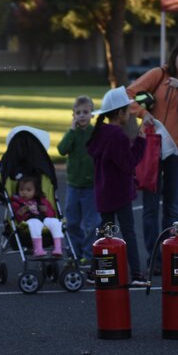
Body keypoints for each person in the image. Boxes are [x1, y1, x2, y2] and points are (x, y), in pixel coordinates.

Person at [126, 37, 178, 272]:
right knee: (150, 205)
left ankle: (169, 252)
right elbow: (128, 93)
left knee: (171, 206)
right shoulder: (158, 74)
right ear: (174, 57)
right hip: (151, 145)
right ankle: (153, 256)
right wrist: (142, 112)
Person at [88, 87, 150, 286]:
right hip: (120, 192)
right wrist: (141, 140)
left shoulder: (101, 132)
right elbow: (129, 162)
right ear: (120, 112)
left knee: (105, 233)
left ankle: (95, 270)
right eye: (127, 110)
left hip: (104, 191)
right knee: (128, 232)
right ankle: (137, 275)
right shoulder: (118, 136)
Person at [57, 95, 101, 265]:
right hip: (74, 186)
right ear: (73, 115)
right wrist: (72, 131)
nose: (82, 115)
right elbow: (62, 150)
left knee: (92, 224)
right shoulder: (73, 134)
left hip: (91, 187)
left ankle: (88, 254)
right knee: (73, 223)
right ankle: (74, 253)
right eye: (78, 112)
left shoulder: (95, 133)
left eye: (86, 112)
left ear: (92, 114)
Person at [11, 176, 64, 257]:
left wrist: (46, 210)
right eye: (21, 190)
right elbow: (17, 218)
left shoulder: (41, 200)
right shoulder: (17, 202)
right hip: (28, 221)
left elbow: (52, 214)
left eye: (28, 190)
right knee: (35, 223)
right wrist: (21, 212)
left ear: (35, 191)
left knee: (55, 222)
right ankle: (38, 249)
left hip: (43, 219)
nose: (24, 192)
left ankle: (58, 248)